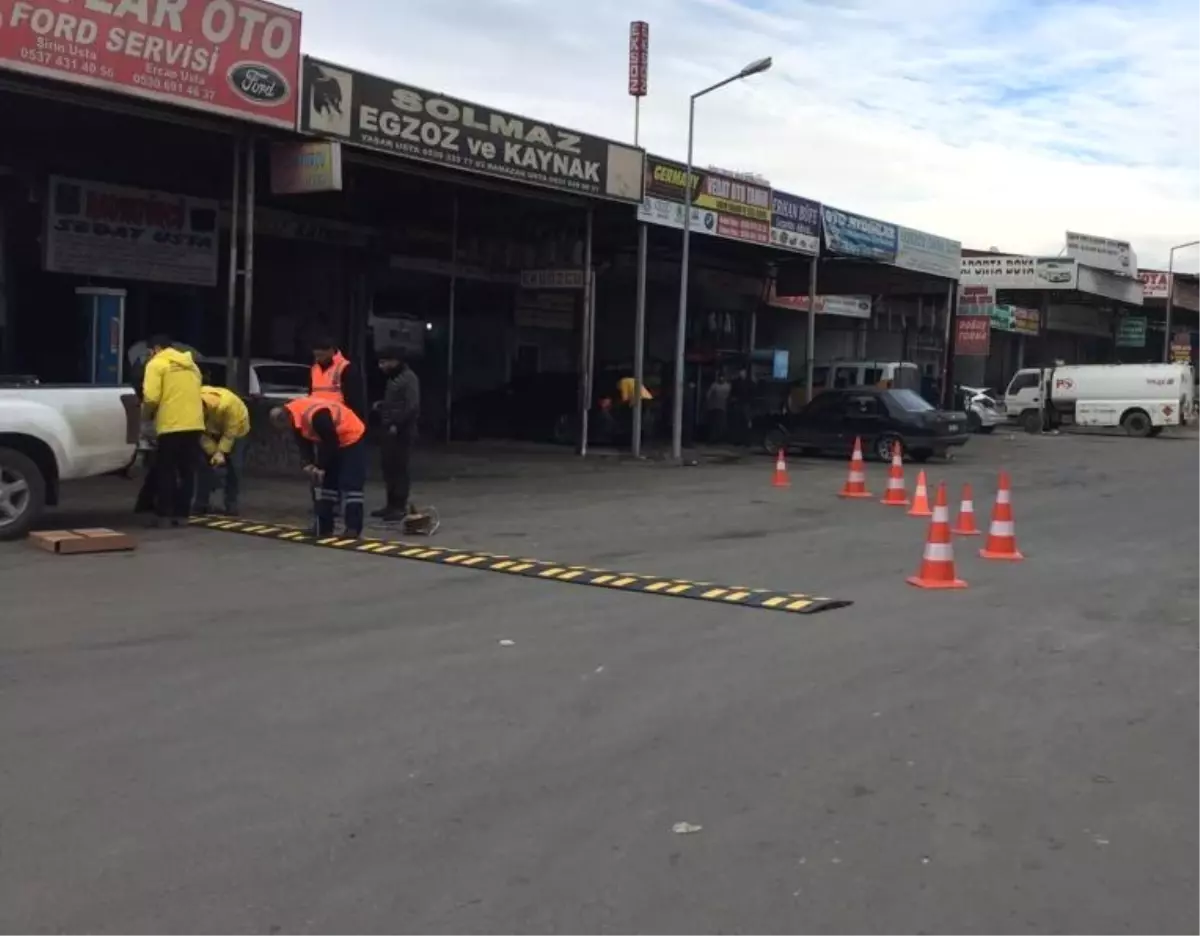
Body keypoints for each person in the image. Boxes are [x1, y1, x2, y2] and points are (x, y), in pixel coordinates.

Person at [271, 396, 367, 537]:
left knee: (350, 484)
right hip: (331, 439)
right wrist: (308, 464)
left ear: (287, 419)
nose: (287, 431)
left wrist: (320, 466)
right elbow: (303, 442)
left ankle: (353, 528)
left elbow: (331, 443)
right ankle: (323, 527)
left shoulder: (317, 416)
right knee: (327, 485)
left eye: (286, 428)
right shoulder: (295, 415)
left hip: (351, 436)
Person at [141, 335, 205, 526]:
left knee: (166, 470)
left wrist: (145, 418)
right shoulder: (191, 365)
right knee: (187, 471)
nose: (149, 355)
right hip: (195, 424)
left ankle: (164, 515)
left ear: (157, 348)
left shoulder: (156, 364)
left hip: (170, 425)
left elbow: (151, 398)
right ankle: (182, 515)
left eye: (150, 351)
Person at [373, 347, 420, 521]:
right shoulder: (394, 378)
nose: (381, 366)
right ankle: (390, 504)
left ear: (395, 361)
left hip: (402, 431)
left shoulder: (408, 378)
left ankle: (399, 506)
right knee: (388, 467)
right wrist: (382, 405)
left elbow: (411, 405)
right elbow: (395, 402)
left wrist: (397, 424)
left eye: (384, 362)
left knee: (399, 467)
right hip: (388, 429)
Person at [194, 385, 251, 516]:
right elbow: (199, 432)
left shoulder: (230, 405)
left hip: (238, 432)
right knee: (203, 467)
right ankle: (201, 503)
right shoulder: (193, 404)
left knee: (234, 468)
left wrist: (221, 452)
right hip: (210, 432)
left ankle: (231, 504)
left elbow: (231, 432)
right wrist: (213, 451)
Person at [309, 335, 366, 417]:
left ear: (331, 351)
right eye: (316, 356)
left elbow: (354, 398)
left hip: (339, 417)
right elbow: (311, 393)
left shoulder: (345, 368)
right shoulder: (314, 369)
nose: (318, 359)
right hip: (317, 416)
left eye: (321, 356)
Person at [705, 372, 731, 443]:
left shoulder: (727, 386)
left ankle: (719, 439)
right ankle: (712, 439)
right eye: (720, 377)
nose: (721, 378)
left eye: (722, 377)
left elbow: (728, 396)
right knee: (713, 424)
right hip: (714, 407)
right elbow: (708, 395)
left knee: (720, 424)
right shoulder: (714, 385)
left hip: (722, 407)